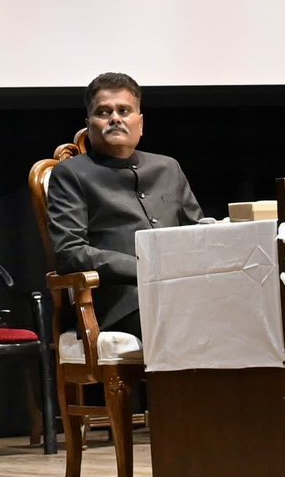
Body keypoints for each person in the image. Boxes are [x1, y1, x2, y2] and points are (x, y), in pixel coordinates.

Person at [45, 71, 203, 332]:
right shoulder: (72, 174)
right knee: (188, 320)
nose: (115, 118)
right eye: (104, 112)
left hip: (183, 288)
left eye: (124, 110)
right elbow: (69, 252)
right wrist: (144, 266)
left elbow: (197, 233)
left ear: (140, 123)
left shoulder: (168, 167)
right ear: (89, 123)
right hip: (124, 302)